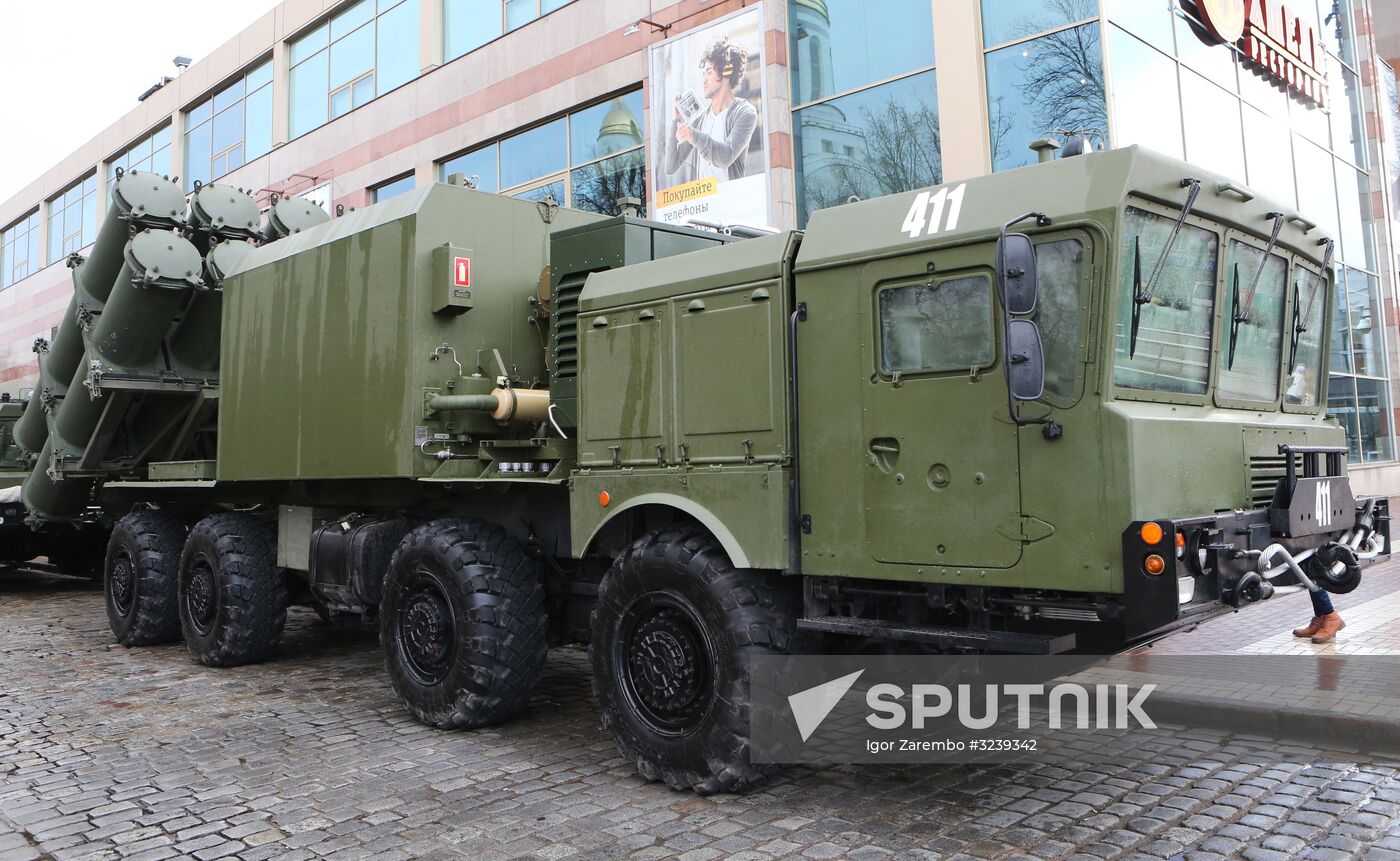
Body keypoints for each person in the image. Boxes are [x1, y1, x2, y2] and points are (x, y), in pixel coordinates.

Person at [664, 36, 758, 185]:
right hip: (701, 206)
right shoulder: (699, 120)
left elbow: (725, 157)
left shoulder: (745, 112)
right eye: (703, 74)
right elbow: (670, 167)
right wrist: (675, 119)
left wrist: (694, 136)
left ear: (725, 72)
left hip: (728, 202)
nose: (704, 79)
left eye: (708, 72)